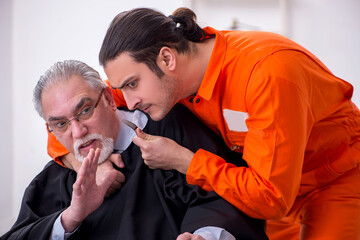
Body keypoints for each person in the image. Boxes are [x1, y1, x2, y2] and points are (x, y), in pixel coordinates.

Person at [47, 7, 360, 239]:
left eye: (131, 85)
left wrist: (185, 160)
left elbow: (271, 198)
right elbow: (63, 116)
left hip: (332, 184)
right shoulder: (157, 79)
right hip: (263, 197)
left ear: (167, 59)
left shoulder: (268, 75)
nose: (128, 102)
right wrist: (84, 162)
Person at [1, 60, 268, 240]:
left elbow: (225, 195)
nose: (78, 131)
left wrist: (206, 234)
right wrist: (71, 216)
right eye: (60, 123)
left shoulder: (170, 132)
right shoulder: (56, 178)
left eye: (85, 110)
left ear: (108, 98)